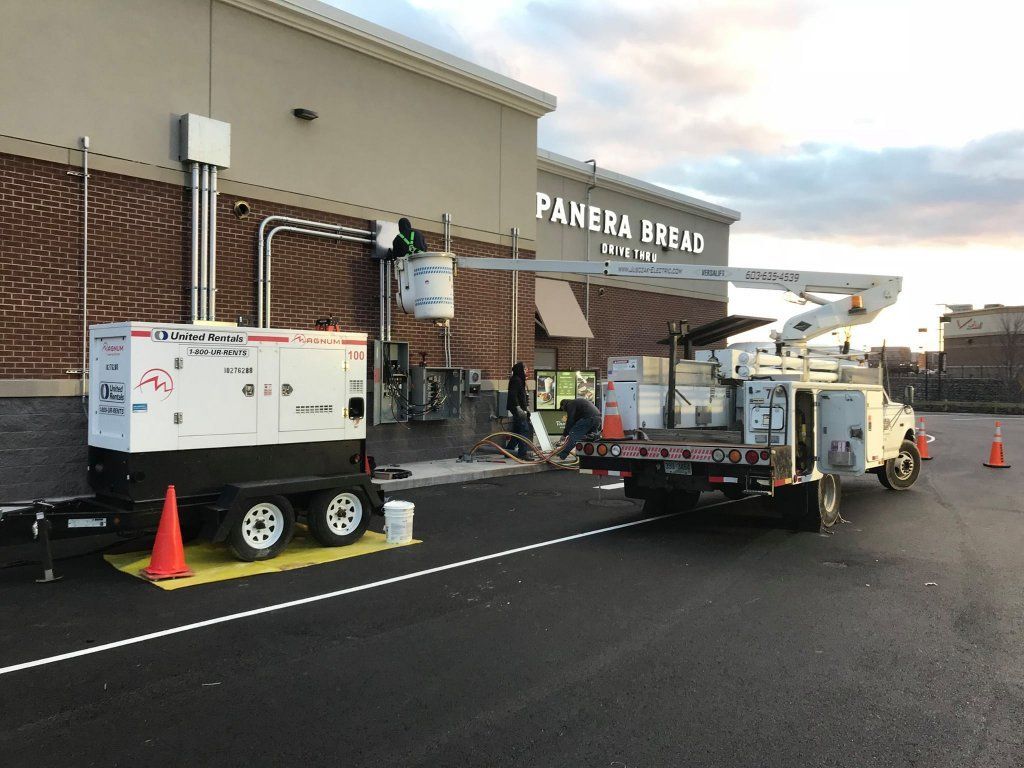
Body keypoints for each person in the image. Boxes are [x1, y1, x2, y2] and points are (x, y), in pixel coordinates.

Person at [505, 362, 533, 460]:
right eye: (525, 370)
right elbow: (513, 395)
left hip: (520, 408)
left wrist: (527, 408)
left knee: (517, 430)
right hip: (517, 409)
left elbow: (523, 396)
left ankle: (508, 451)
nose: (526, 372)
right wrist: (518, 408)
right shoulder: (516, 380)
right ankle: (522, 454)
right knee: (524, 429)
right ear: (521, 370)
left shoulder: (520, 380)